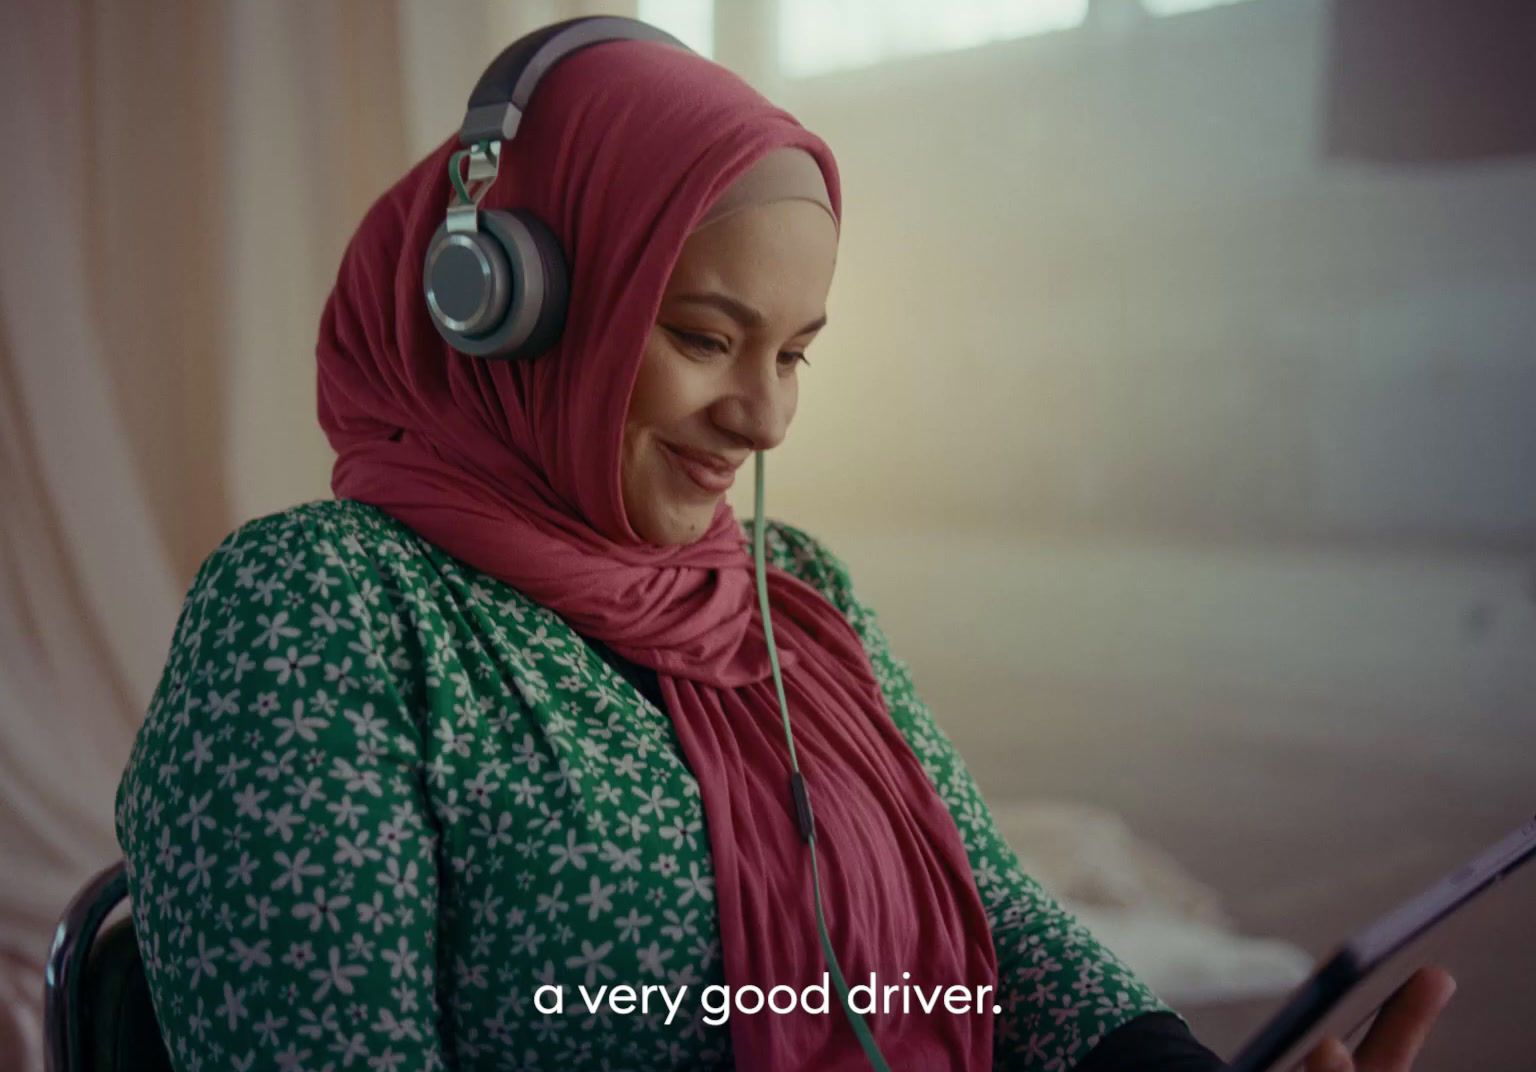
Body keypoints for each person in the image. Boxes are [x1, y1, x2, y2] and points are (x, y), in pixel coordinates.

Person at [113, 20, 1455, 1072]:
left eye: (796, 354)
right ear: (499, 305)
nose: (762, 418)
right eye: (703, 336)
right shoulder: (319, 607)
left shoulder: (791, 589)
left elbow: (990, 913)